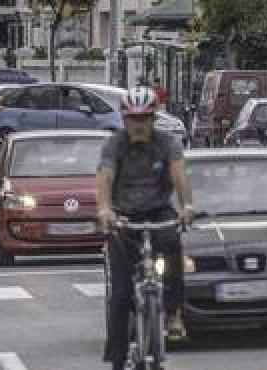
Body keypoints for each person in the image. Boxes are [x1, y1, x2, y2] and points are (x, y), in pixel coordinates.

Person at [98, 86, 196, 368]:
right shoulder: (114, 145)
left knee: (174, 246)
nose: (138, 125)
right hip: (123, 217)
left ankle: (174, 313)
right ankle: (117, 358)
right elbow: (104, 179)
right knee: (120, 295)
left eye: (144, 119)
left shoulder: (167, 144)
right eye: (132, 119)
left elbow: (179, 176)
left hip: (158, 213)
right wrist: (105, 210)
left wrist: (187, 206)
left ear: (153, 119)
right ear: (124, 120)